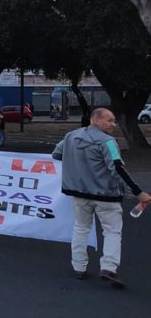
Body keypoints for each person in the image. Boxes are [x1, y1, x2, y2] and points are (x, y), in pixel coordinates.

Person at [52, 108, 151, 288]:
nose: (114, 124)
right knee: (112, 231)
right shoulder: (108, 142)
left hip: (78, 193)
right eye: (110, 120)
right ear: (96, 120)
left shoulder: (70, 137)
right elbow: (117, 168)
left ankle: (79, 267)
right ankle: (108, 267)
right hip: (106, 195)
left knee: (81, 228)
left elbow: (56, 154)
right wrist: (139, 192)